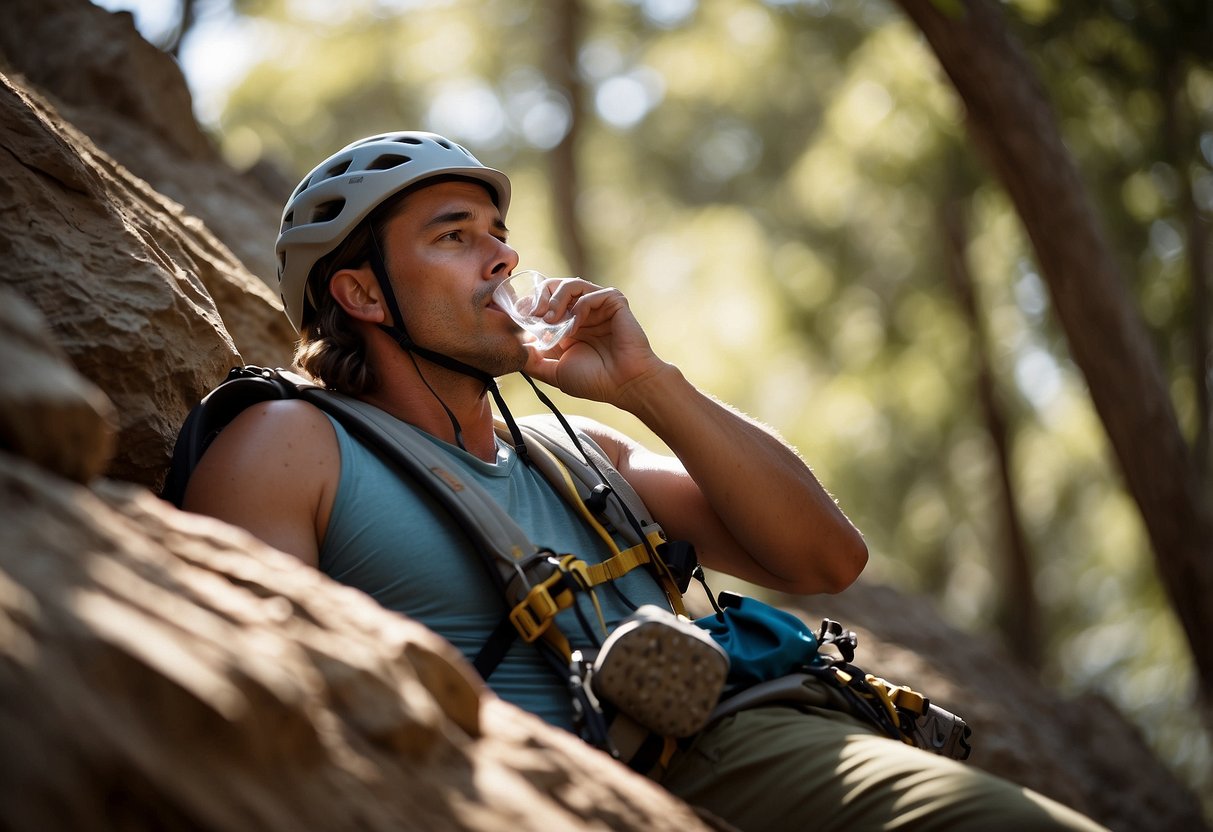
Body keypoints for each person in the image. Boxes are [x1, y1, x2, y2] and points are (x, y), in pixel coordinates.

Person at [183, 131, 1106, 831]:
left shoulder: (583, 451)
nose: (502, 257)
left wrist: (644, 386)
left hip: (746, 748)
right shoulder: (285, 441)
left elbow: (825, 556)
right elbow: (265, 709)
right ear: (363, 295)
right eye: (454, 236)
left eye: (499, 233)